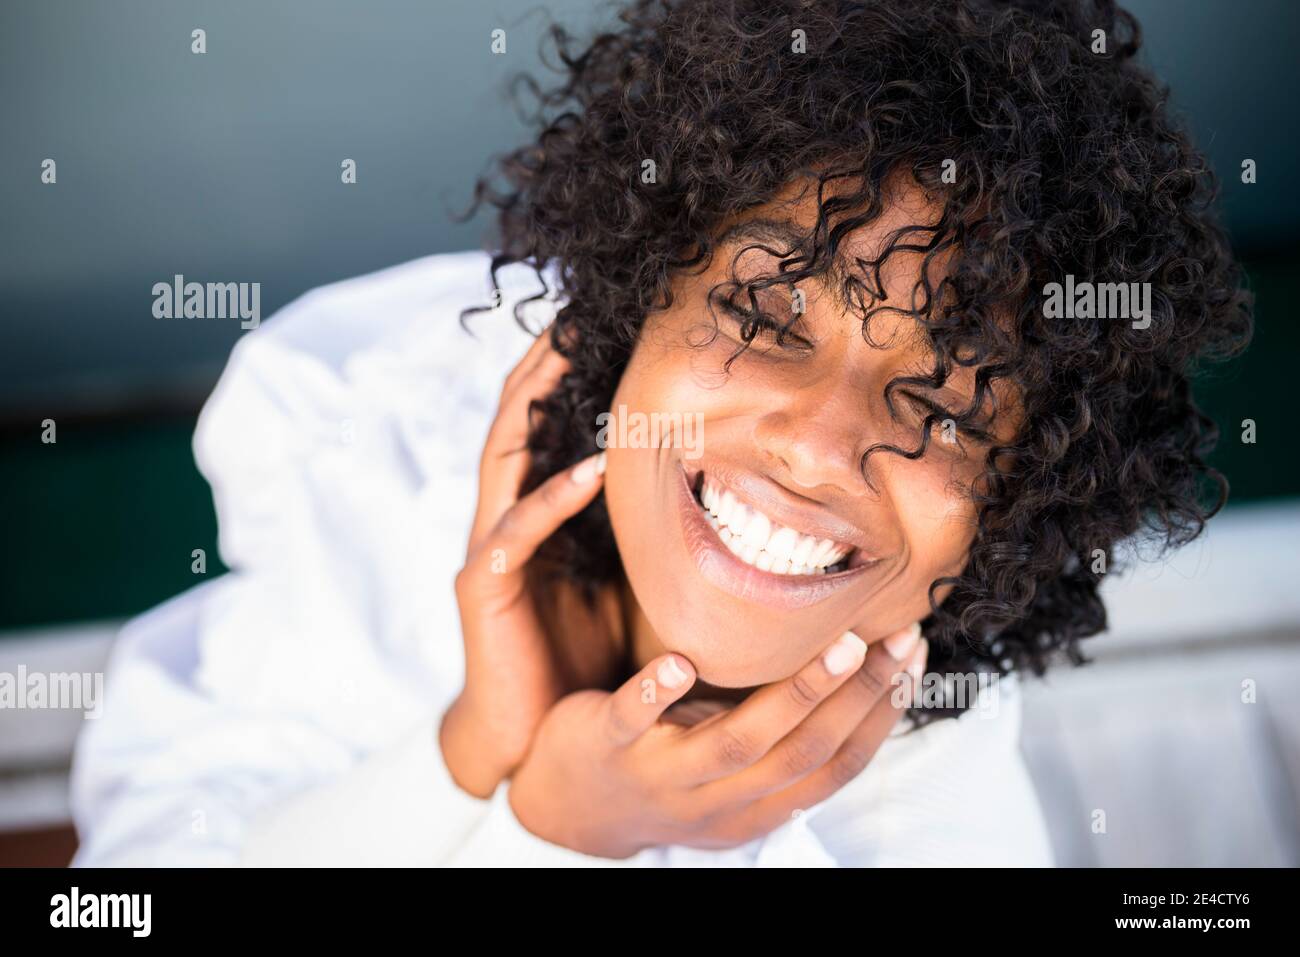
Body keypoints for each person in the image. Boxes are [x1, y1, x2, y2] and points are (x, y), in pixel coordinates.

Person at [71, 0, 1251, 866]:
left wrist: (565, 831)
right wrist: (485, 755)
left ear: (1010, 513)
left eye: (941, 408)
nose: (817, 444)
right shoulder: (381, 457)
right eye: (760, 315)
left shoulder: (924, 765)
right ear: (630, 311)